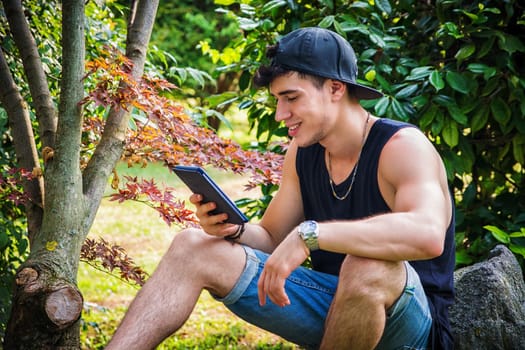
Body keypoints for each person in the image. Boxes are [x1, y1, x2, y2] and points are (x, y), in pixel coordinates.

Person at [106, 27, 455, 350]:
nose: (279, 113)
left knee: (367, 266)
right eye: (277, 99)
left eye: (291, 98)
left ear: (336, 88)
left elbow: (426, 234)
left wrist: (311, 235)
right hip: (331, 306)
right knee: (191, 246)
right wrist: (235, 229)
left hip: (409, 326)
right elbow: (273, 237)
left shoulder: (401, 147)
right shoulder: (303, 153)